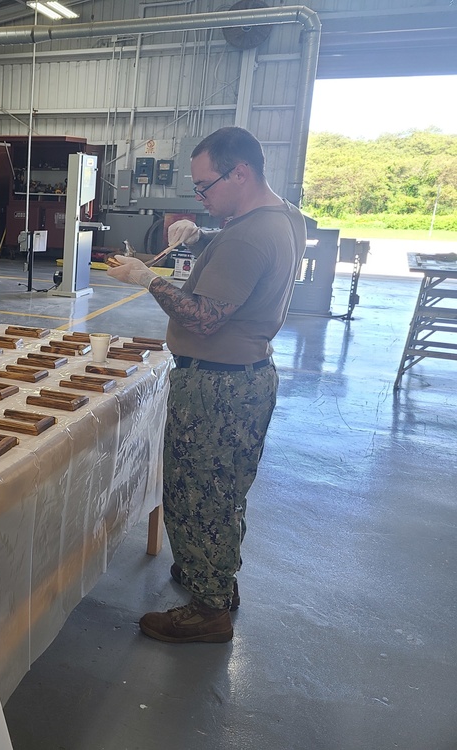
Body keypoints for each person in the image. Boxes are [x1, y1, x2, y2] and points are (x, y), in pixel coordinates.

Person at [106, 127, 306, 643]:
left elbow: (203, 318)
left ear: (240, 172)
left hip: (217, 389)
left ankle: (209, 607)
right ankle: (213, 576)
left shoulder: (251, 234)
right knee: (225, 488)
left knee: (199, 493)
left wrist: (146, 279)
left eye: (205, 186)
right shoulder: (281, 216)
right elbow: (240, 257)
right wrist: (201, 237)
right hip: (246, 378)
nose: (201, 197)